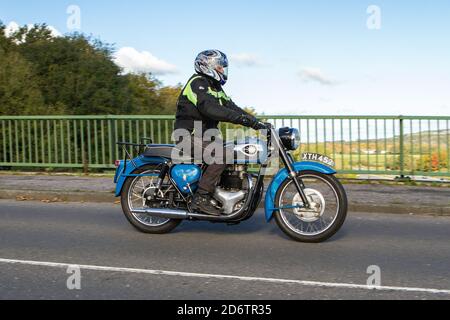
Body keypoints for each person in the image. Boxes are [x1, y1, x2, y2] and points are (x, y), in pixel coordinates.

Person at [174, 50, 266, 216]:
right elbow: (209, 108)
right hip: (188, 137)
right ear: (207, 65)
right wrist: (240, 120)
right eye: (220, 67)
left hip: (205, 139)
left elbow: (232, 107)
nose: (223, 70)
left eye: (223, 68)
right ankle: (201, 198)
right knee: (222, 155)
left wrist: (256, 122)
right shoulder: (197, 83)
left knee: (231, 152)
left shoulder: (216, 88)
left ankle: (222, 194)